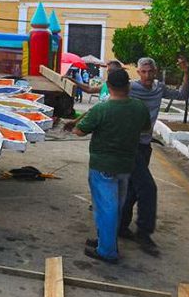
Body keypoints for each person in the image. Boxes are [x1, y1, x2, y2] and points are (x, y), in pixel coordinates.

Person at [64, 69, 152, 263]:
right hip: (125, 166)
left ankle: (107, 251)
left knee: (105, 208)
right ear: (128, 86)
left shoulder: (102, 109)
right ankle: (105, 240)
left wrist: (75, 126)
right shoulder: (139, 107)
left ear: (109, 86)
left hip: (102, 166)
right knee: (116, 206)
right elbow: (146, 128)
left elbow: (79, 131)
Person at [118, 55, 189, 254]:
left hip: (145, 145)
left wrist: (186, 72)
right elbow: (109, 100)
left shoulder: (159, 88)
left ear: (155, 72)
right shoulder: (131, 88)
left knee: (134, 188)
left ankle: (121, 226)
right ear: (138, 73)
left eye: (150, 72)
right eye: (143, 72)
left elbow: (183, 95)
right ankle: (144, 234)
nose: (147, 75)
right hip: (129, 145)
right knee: (148, 188)